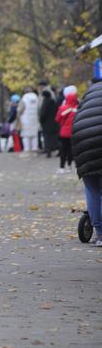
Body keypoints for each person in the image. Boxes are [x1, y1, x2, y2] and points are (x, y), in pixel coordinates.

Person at [72, 78, 102, 246]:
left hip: (82, 140)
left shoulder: (89, 93)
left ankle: (100, 234)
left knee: (92, 189)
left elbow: (78, 117)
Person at [55, 85, 78, 174]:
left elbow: (57, 119)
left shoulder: (63, 108)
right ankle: (75, 167)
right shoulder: (77, 108)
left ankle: (62, 168)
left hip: (64, 133)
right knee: (74, 150)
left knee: (64, 150)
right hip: (74, 132)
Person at [18, 86, 40, 152]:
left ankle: (27, 148)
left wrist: (19, 114)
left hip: (25, 118)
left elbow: (20, 109)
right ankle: (35, 148)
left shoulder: (24, 97)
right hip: (35, 118)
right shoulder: (36, 97)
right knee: (34, 135)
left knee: (25, 135)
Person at [38, 89, 59, 158]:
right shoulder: (53, 102)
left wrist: (41, 121)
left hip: (46, 123)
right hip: (54, 122)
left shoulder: (45, 102)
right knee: (53, 137)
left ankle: (48, 151)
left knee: (47, 138)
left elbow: (42, 114)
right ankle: (56, 149)